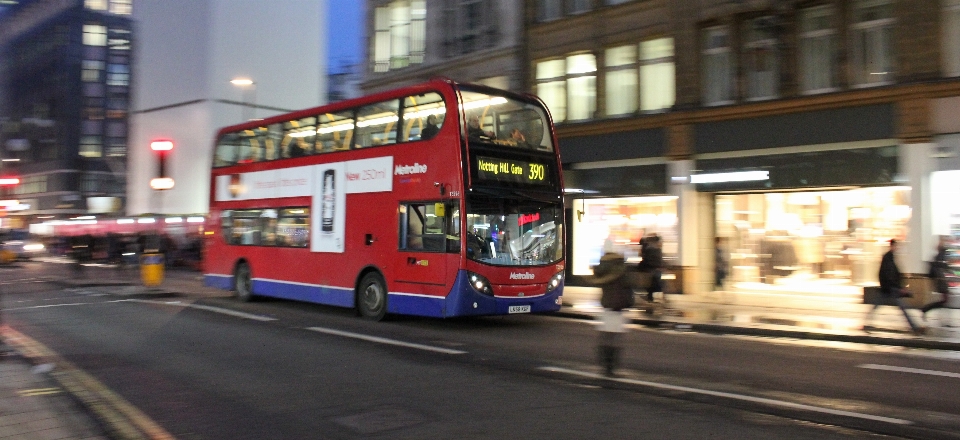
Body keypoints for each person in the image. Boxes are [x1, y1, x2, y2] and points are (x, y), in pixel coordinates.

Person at [590, 252, 637, 377]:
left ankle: (605, 364)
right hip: (618, 307)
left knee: (607, 335)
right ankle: (610, 366)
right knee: (615, 337)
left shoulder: (604, 271)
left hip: (607, 306)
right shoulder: (621, 271)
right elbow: (629, 287)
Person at [866, 239, 924, 335]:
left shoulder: (891, 257)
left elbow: (894, 274)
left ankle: (866, 323)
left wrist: (900, 285)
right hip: (889, 288)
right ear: (892, 246)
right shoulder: (888, 258)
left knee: (877, 306)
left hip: (888, 288)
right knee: (903, 308)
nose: (897, 248)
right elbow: (888, 275)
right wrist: (898, 287)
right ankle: (914, 327)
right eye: (896, 246)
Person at [921, 236, 952, 321]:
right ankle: (925, 309)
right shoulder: (940, 254)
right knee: (944, 300)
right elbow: (940, 266)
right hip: (941, 280)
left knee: (944, 300)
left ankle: (926, 309)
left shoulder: (941, 254)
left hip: (941, 279)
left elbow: (941, 265)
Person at [637, 234, 664, 302]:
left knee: (652, 284)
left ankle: (650, 297)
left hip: (650, 269)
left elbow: (645, 259)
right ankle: (652, 297)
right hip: (655, 269)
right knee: (655, 284)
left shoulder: (649, 248)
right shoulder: (656, 249)